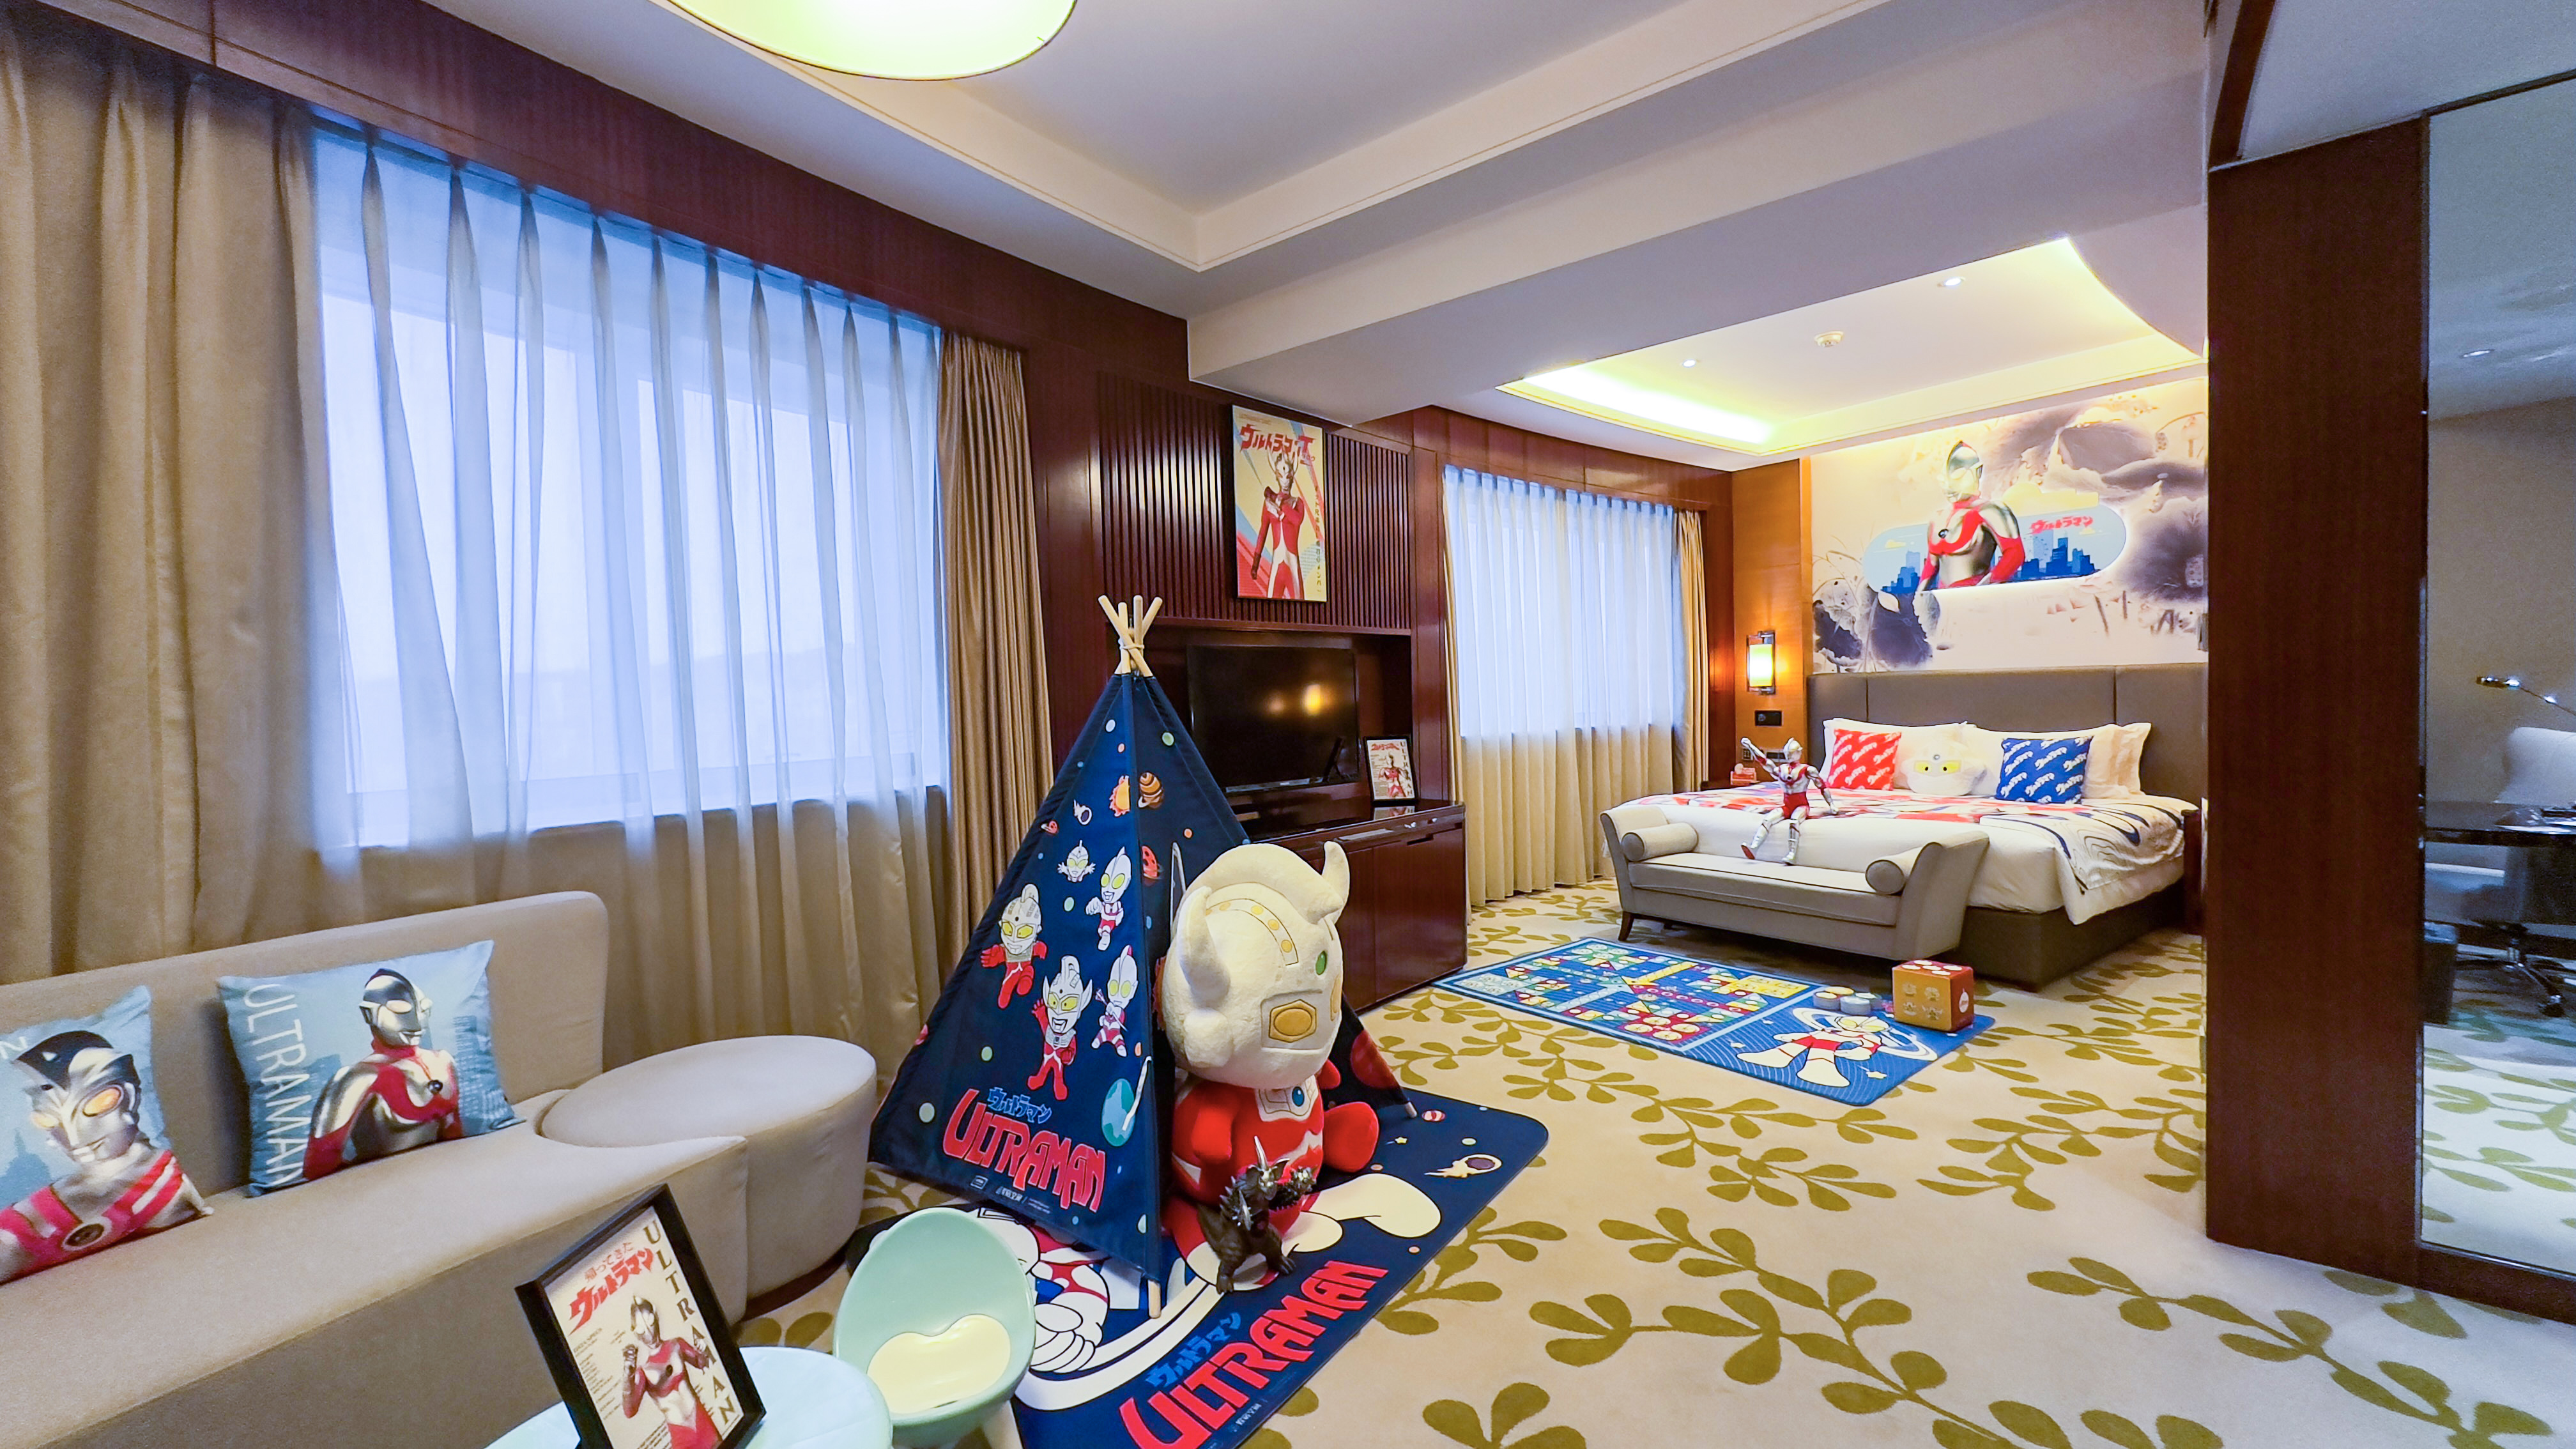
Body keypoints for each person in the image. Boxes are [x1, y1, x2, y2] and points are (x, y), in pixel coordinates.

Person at [0, 1031, 204, 1282]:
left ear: (129, 1096)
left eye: (97, 1105)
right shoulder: (39, 1210)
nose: (74, 1138)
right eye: (48, 1120)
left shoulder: (164, 1187)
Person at [304, 969, 461, 1182]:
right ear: (370, 1014)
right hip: (387, 1185)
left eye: (424, 1008)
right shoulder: (356, 1079)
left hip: (447, 1175)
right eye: (400, 1009)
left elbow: (455, 1135)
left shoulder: (443, 1061)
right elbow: (318, 1165)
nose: (417, 1020)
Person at [1923, 441, 2027, 588]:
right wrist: (1919, 594)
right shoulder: (1938, 518)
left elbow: (2015, 554)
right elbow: (1932, 564)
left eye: (1958, 475)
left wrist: (1982, 588)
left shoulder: (1991, 510)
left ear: (1977, 472)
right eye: (1945, 479)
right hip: (1943, 597)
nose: (1950, 485)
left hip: (1975, 596)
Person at [623, 1298, 721, 1449]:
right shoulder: (643, 1371)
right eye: (641, 1329)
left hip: (702, 1422)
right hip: (681, 1435)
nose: (649, 1332)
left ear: (656, 1316)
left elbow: (700, 1363)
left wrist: (702, 1351)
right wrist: (627, 1377)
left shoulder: (676, 1345)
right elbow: (630, 1411)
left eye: (650, 1322)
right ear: (635, 1332)